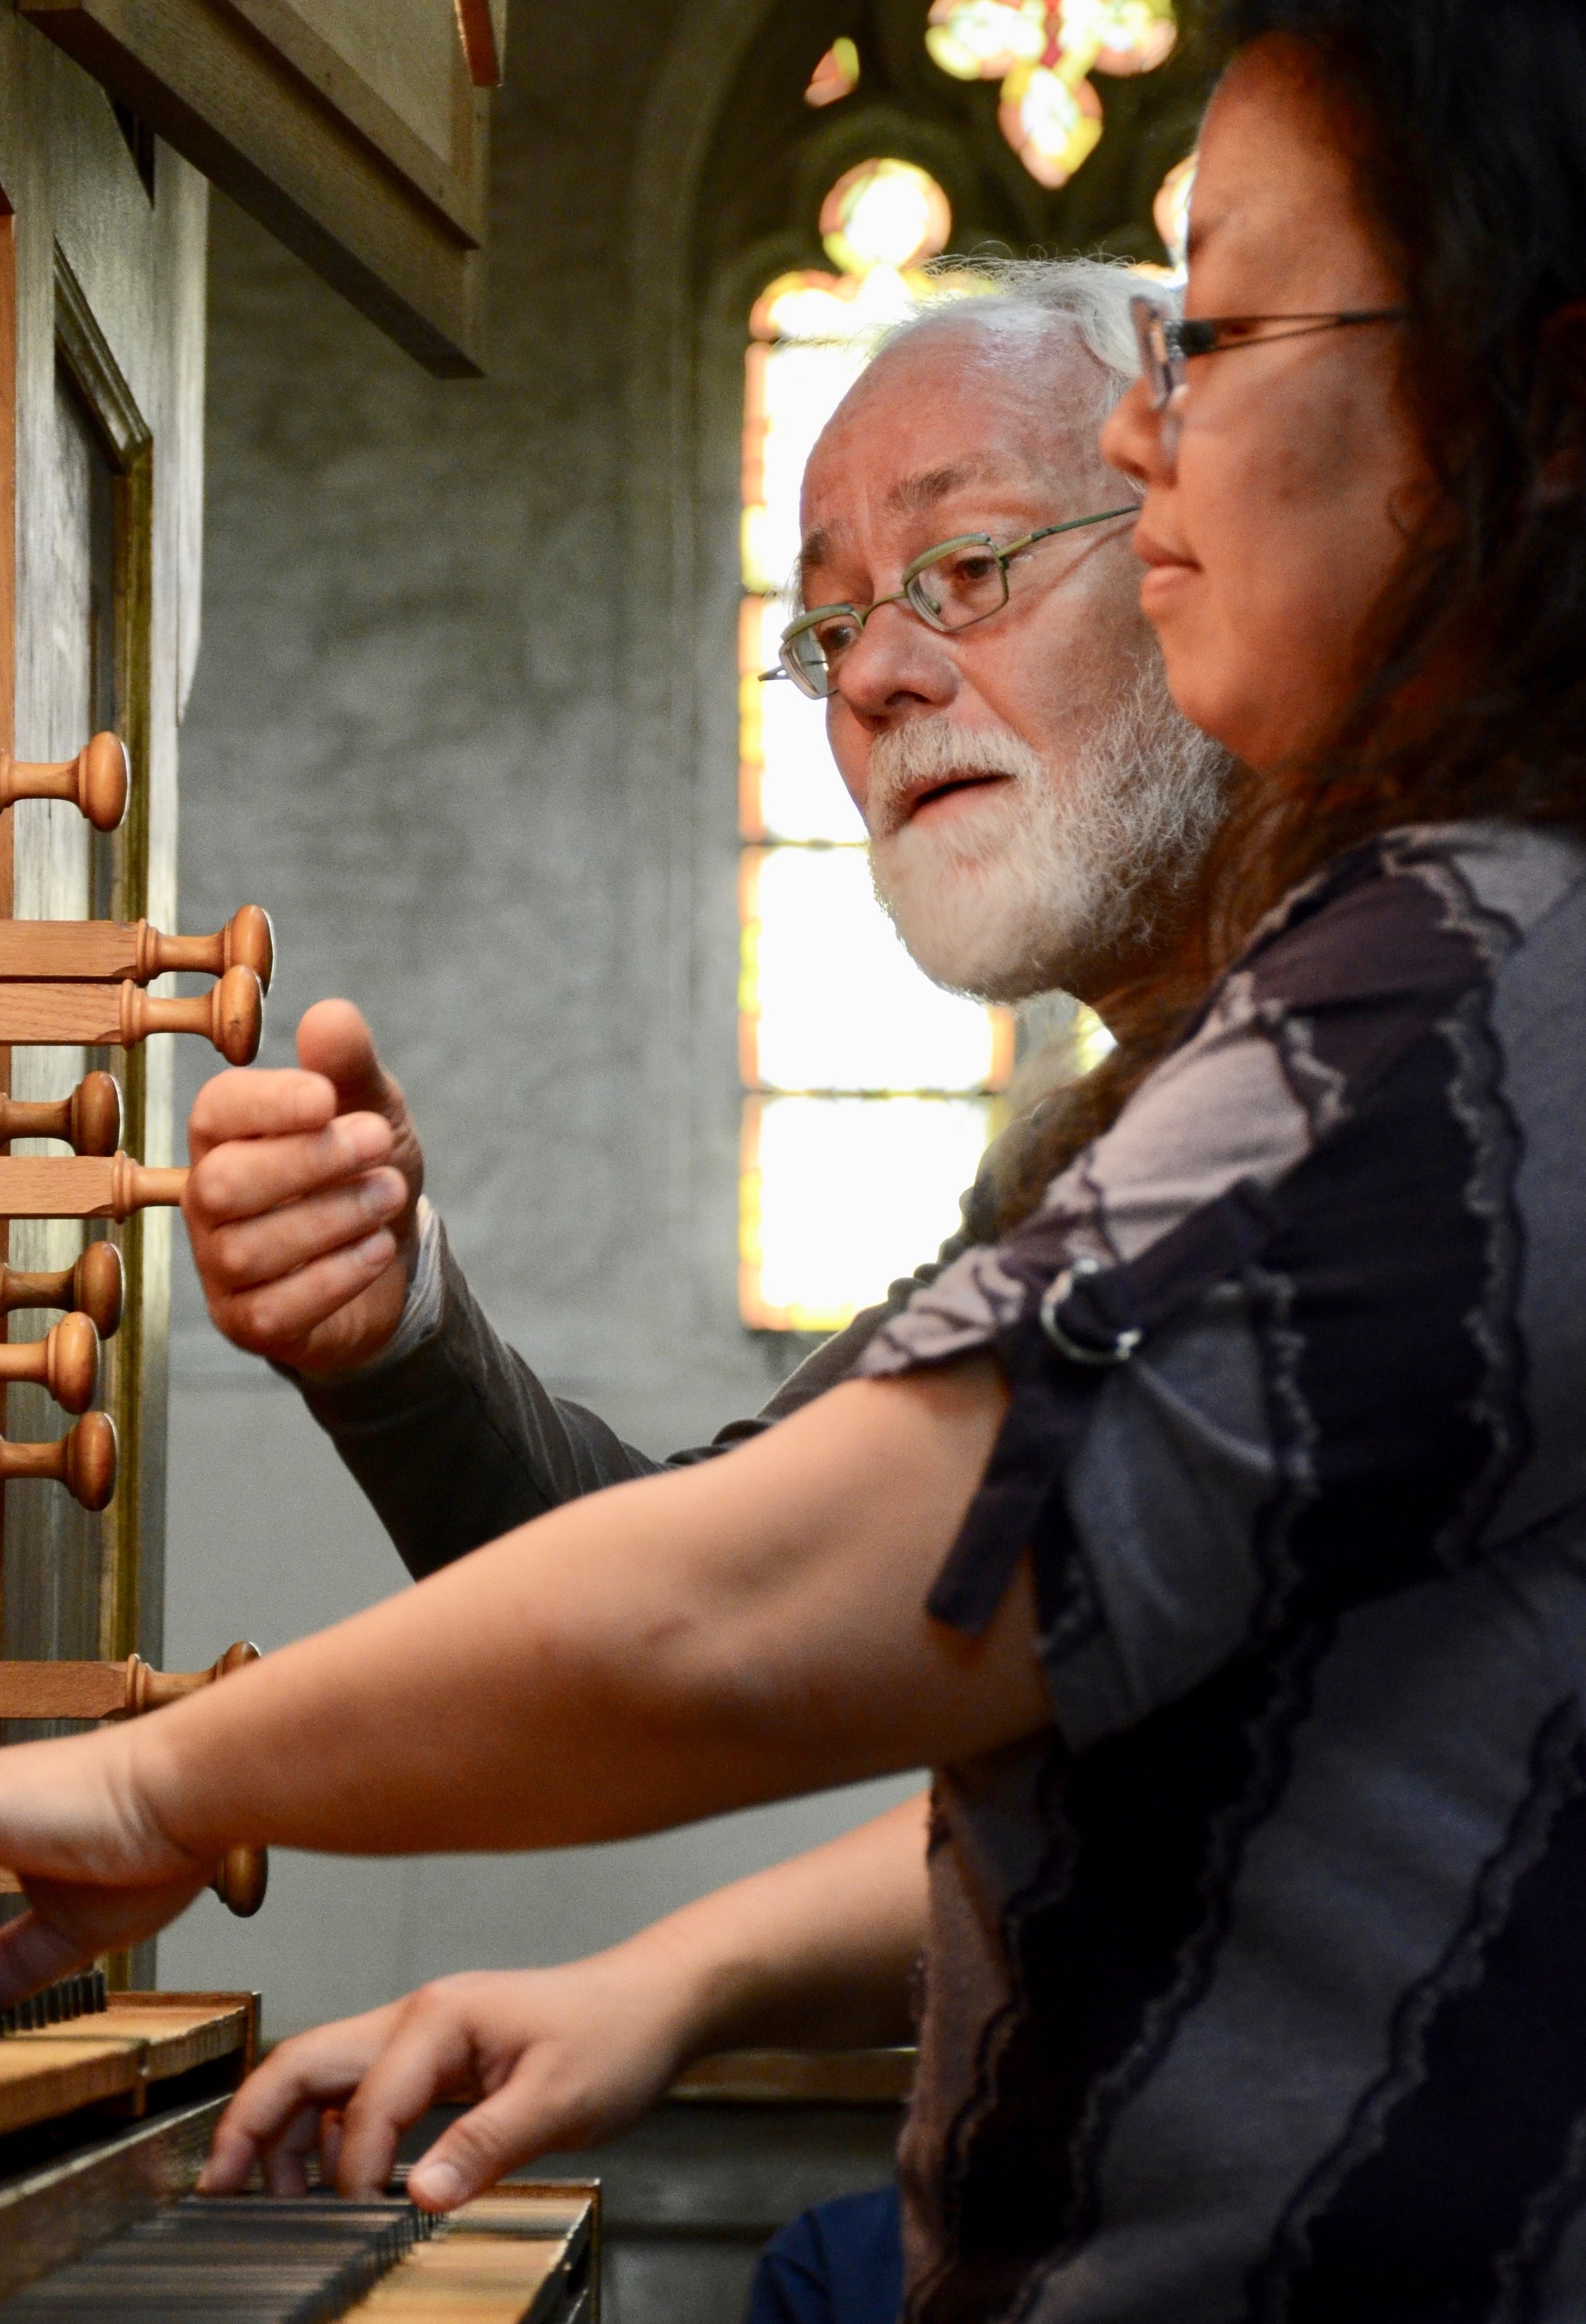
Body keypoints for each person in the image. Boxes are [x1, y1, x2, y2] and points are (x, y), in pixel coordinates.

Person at [0, 2, 1586, 2310]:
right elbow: (902, 1619)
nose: (1162, 447)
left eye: (1216, 337)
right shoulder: (1246, 1061)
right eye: (825, 626)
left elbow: (763, 1601)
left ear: (1527, 411)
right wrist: (664, 1967)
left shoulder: (1456, 993)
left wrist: (168, 1777)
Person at [178, 264, 1227, 1579]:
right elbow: (693, 1583)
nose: (876, 677)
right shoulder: (1097, 1150)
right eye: (832, 628)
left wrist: (137, 1795)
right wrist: (399, 1329)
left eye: (970, 565)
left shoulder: (1397, 1006)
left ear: (1206, 547)